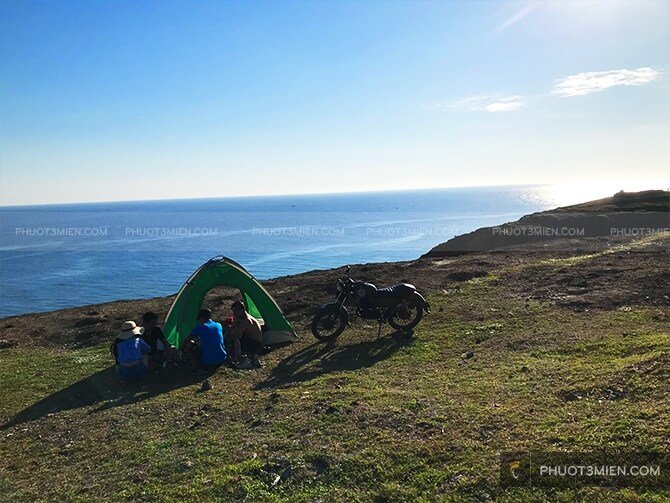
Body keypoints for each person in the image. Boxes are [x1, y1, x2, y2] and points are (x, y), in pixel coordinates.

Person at [227, 300, 263, 367]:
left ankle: (238, 357)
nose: (234, 314)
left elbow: (236, 336)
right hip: (249, 340)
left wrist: (229, 334)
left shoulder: (246, 321)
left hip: (254, 343)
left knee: (233, 343)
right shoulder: (242, 317)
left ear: (241, 310)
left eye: (235, 312)